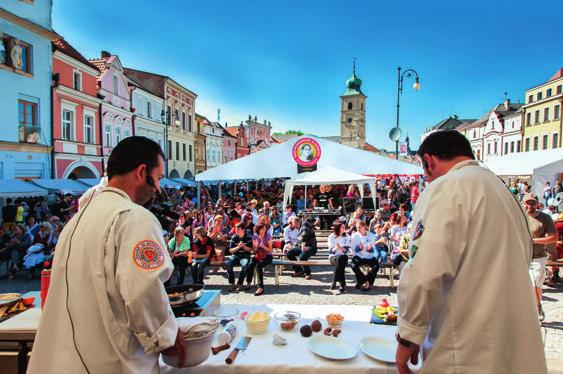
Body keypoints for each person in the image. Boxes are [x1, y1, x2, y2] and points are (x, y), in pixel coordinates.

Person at [28, 136, 186, 373]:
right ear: (142, 171)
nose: (159, 189)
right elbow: (144, 289)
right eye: (159, 178)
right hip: (110, 361)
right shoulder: (133, 217)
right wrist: (167, 336)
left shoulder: (77, 220)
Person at [396, 130, 546, 374]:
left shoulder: (445, 187)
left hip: (466, 345)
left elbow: (424, 272)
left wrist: (408, 335)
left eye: (425, 171)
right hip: (511, 340)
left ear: (429, 161)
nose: (426, 178)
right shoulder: (502, 189)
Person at [525, 195, 558, 316]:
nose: (530, 206)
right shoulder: (519, 216)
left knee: (535, 285)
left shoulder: (545, 218)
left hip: (537, 257)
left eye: (533, 203)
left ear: (538, 204)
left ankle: (537, 307)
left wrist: (533, 241)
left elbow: (553, 237)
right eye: (527, 203)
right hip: (520, 256)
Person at [246, 223, 273, 296]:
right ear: (258, 229)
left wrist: (263, 246)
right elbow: (254, 251)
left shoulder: (268, 235)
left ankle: (260, 287)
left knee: (259, 266)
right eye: (262, 229)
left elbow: (270, 250)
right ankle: (248, 282)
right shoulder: (255, 236)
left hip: (268, 256)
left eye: (265, 229)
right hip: (259, 255)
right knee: (251, 264)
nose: (264, 230)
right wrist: (255, 246)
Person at [350, 221, 378, 291]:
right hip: (359, 256)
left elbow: (373, 249)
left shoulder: (371, 235)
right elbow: (353, 250)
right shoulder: (355, 236)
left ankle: (365, 282)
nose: (358, 229)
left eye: (359, 227)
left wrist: (370, 249)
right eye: (356, 227)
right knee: (353, 265)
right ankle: (365, 281)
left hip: (369, 256)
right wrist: (358, 248)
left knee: (376, 266)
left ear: (364, 226)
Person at [226, 222, 253, 292]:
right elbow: (231, 250)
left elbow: (250, 250)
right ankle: (232, 283)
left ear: (243, 229)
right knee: (228, 264)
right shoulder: (234, 237)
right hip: (235, 255)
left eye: (238, 228)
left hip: (245, 255)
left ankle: (240, 283)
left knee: (244, 266)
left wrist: (244, 246)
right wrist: (238, 247)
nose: (236, 230)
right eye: (236, 228)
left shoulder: (248, 237)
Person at [327, 222, 350, 293]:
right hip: (333, 257)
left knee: (341, 258)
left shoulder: (347, 236)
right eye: (342, 227)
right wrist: (337, 248)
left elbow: (345, 250)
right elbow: (331, 251)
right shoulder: (331, 236)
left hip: (344, 256)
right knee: (340, 263)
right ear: (338, 228)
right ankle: (342, 284)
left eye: (344, 227)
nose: (344, 228)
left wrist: (339, 247)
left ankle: (334, 280)